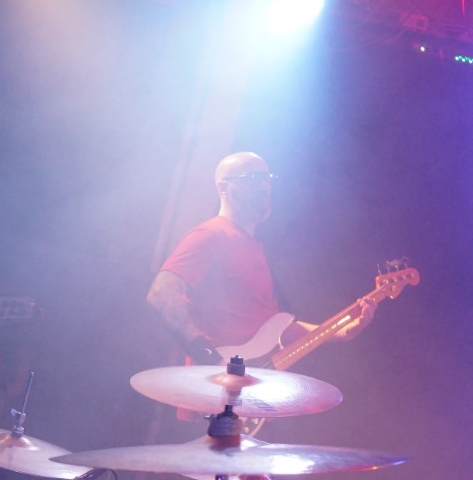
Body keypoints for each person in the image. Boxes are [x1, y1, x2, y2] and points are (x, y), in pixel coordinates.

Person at [147, 151, 374, 368]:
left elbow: (272, 329)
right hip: (213, 383)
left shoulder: (255, 248)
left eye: (268, 179)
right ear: (223, 188)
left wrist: (340, 331)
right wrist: (206, 355)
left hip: (252, 382)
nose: (265, 187)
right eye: (253, 178)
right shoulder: (210, 235)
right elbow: (162, 293)